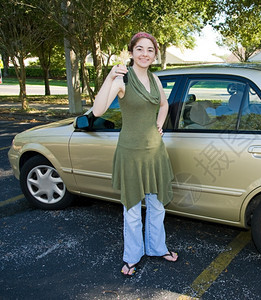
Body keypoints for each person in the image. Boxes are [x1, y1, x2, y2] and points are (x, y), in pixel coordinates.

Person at [91, 32, 177, 276]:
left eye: (150, 50)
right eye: (139, 49)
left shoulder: (155, 79)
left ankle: (157, 248)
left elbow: (163, 105)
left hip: (155, 153)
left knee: (157, 206)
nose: (145, 54)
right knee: (131, 210)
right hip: (130, 152)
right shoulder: (122, 80)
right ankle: (132, 257)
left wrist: (160, 124)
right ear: (131, 52)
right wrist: (109, 77)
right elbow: (97, 111)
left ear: (155, 54)